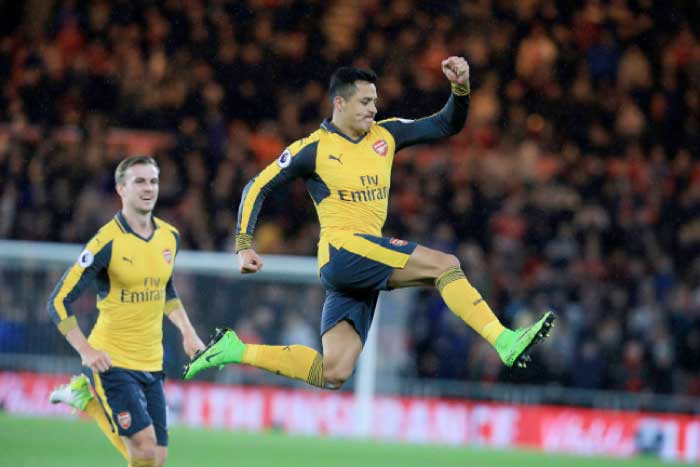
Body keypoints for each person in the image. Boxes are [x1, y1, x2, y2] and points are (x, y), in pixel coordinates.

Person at [184, 57, 554, 389]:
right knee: (446, 265)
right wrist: (244, 243)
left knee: (334, 371)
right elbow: (256, 185)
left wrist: (460, 89)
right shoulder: (312, 148)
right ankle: (504, 340)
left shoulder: (386, 134)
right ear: (340, 103)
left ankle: (234, 349)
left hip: (358, 263)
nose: (374, 109)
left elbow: (445, 124)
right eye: (365, 102)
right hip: (343, 251)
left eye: (375, 101)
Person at [47, 156, 205, 467]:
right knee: (144, 450)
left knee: (155, 460)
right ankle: (90, 398)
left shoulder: (169, 237)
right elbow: (57, 301)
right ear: (121, 189)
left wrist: (187, 331)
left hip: (151, 361)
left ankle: (86, 402)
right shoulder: (105, 242)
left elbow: (166, 291)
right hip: (112, 361)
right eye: (139, 181)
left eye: (153, 181)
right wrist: (86, 350)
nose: (149, 188)